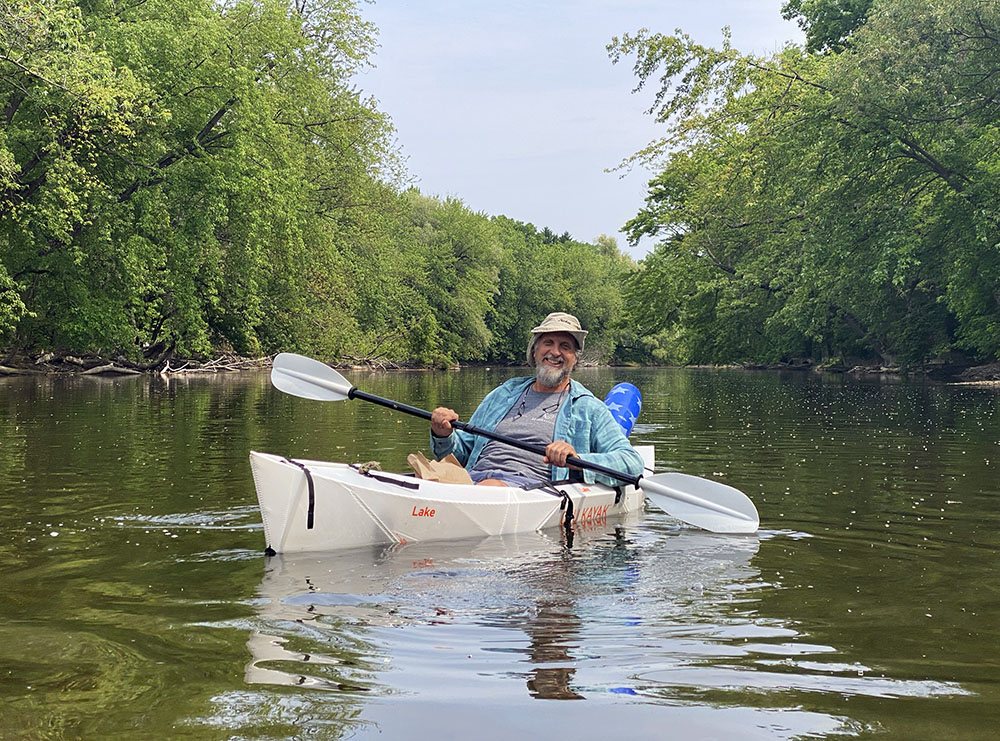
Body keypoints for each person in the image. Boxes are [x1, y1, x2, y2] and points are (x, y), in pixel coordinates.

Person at [429, 312, 644, 487]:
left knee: (490, 486)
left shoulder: (589, 407)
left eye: (565, 346)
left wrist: (578, 460)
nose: (555, 352)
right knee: (418, 477)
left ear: (575, 359)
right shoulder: (503, 394)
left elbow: (631, 463)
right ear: (535, 351)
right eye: (548, 343)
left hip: (527, 489)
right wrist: (443, 434)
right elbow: (459, 456)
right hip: (472, 481)